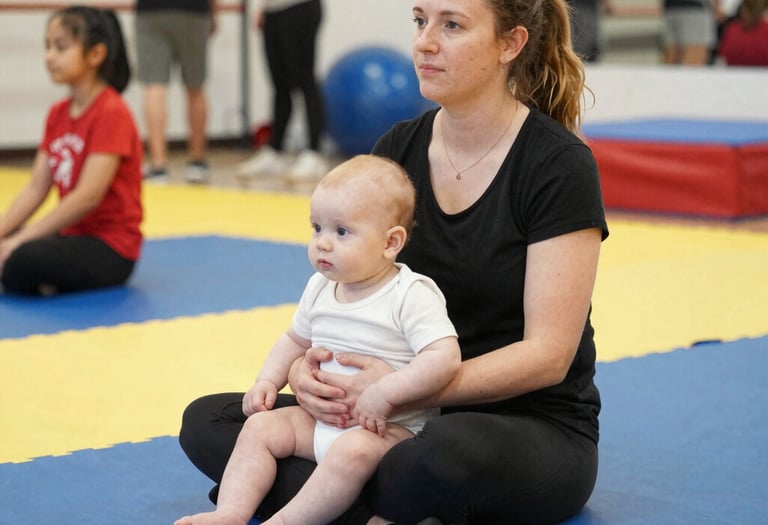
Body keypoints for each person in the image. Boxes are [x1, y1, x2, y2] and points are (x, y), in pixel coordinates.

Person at [179, 0, 609, 523]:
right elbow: (342, 295)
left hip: (520, 423)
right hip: (379, 419)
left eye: (451, 25)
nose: (425, 42)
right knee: (212, 421)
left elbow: (548, 355)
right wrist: (305, 374)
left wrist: (398, 390)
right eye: (420, 20)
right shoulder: (397, 150)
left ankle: (312, 496)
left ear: (510, 44)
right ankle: (361, 502)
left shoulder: (557, 165)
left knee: (440, 456)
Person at [175, 154, 461, 525]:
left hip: (389, 432)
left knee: (351, 453)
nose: (323, 243)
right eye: (317, 228)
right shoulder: (321, 287)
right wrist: (268, 380)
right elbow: (293, 339)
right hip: (320, 421)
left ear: (391, 242)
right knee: (259, 427)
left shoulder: (411, 293)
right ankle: (230, 513)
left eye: (341, 232)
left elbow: (444, 357)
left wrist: (388, 391)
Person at [0, 6, 143, 296]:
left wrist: (20, 241)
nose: (49, 56)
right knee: (14, 244)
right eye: (48, 47)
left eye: (61, 47)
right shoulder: (57, 114)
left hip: (110, 247)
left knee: (23, 259)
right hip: (71, 235)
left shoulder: (111, 112)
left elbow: (87, 197)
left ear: (95, 55)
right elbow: (35, 188)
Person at [236, 0, 328, 182]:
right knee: (279, 84)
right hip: (273, 10)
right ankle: (275, 151)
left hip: (300, 6)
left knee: (305, 80)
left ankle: (314, 154)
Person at [135, 0, 218, 183]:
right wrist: (214, 13)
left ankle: (159, 165)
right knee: (195, 86)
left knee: (154, 86)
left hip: (152, 10)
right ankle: (197, 162)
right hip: (194, 10)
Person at [662, 0, 721, 64]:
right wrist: (717, 7)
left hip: (670, 9)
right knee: (694, 62)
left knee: (672, 59)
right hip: (695, 10)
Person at [717, 0, 768, 65]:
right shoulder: (733, 29)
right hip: (760, 73)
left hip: (733, 73)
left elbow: (723, 54)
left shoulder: (732, 29)